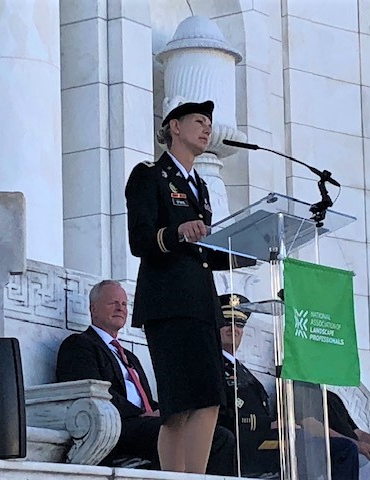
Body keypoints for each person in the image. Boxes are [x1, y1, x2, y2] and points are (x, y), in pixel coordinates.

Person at [125, 97, 253, 474]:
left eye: (209, 124)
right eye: (199, 121)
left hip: (202, 305)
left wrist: (247, 250)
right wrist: (176, 232)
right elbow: (141, 240)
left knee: (209, 398)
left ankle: (192, 475)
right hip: (169, 303)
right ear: (174, 127)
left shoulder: (199, 185)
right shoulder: (149, 175)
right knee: (181, 404)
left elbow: (204, 252)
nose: (207, 128)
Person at [55, 280, 236, 475]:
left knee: (221, 436)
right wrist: (141, 413)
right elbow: (92, 392)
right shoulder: (79, 345)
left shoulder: (128, 355)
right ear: (93, 309)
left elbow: (148, 401)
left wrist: (169, 410)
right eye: (113, 303)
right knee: (171, 434)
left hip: (143, 423)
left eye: (124, 304)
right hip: (115, 425)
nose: (120, 308)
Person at [216, 293, 360, 479]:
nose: (233, 329)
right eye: (227, 322)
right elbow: (221, 415)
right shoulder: (215, 367)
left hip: (263, 440)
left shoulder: (241, 370)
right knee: (341, 450)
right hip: (243, 446)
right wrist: (271, 424)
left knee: (336, 449)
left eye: (239, 324)